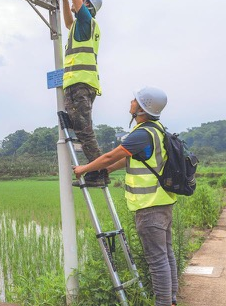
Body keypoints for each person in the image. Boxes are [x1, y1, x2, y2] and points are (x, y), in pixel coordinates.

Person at [73, 86, 178, 306]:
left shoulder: (142, 133)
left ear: (141, 108)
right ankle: (172, 300)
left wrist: (84, 169)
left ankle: (163, 303)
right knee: (166, 256)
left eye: (134, 100)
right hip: (163, 204)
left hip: (149, 207)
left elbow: (112, 155)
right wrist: (108, 170)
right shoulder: (157, 129)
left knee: (157, 261)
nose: (130, 102)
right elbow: (130, 159)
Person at [60, 0, 108, 187]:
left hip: (80, 83)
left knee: (85, 131)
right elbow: (69, 23)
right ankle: (97, 170)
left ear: (87, 4)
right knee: (82, 129)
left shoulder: (87, 20)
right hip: (79, 83)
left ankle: (99, 172)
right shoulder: (81, 26)